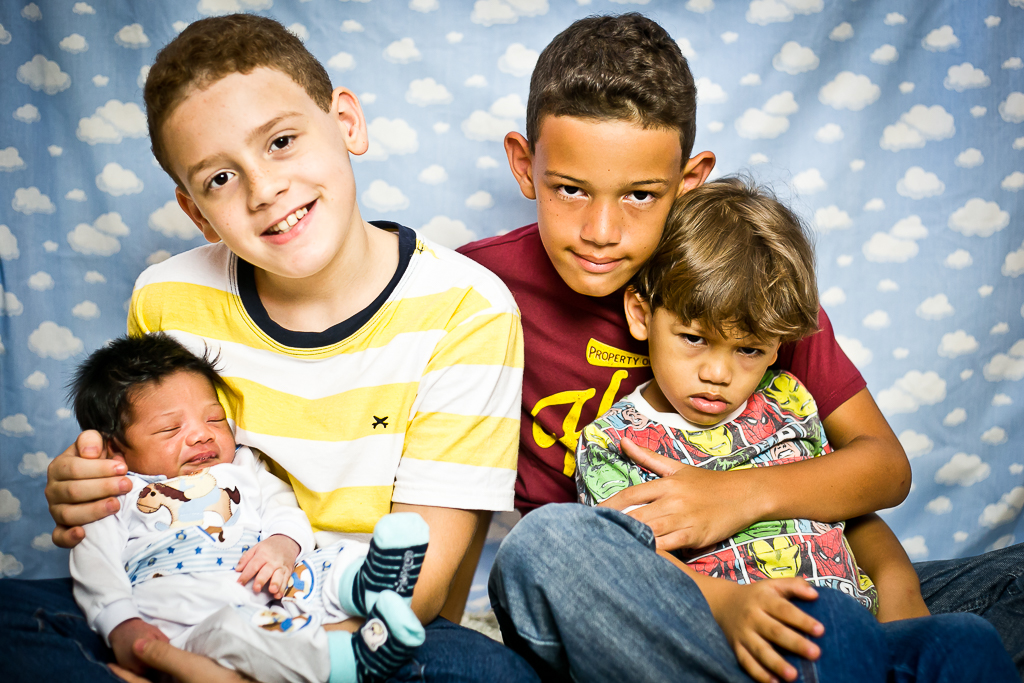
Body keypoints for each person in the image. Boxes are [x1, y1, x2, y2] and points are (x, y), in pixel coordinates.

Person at [456, 12, 1024, 681]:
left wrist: (739, 496)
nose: (600, 231)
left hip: (800, 562)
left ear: (689, 178)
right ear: (526, 166)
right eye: (570, 189)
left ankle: (842, 653)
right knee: (544, 545)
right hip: (642, 600)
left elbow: (881, 470)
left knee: (994, 594)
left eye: (641, 194)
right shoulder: (476, 293)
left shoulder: (745, 282)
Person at [11, 14, 537, 683]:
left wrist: (278, 662)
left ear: (346, 121)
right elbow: (142, 480)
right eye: (220, 180)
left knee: (493, 676)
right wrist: (90, 484)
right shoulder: (168, 299)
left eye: (282, 141)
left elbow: (423, 585)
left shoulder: (468, 308)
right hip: (188, 604)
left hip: (357, 622)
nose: (264, 190)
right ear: (196, 211)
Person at [572, 178, 1017, 683]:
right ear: (641, 314)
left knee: (967, 638)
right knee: (829, 623)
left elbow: (853, 514)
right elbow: (630, 564)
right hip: (749, 642)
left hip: (866, 623)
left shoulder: (787, 400)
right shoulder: (615, 441)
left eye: (749, 350)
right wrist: (729, 606)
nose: (718, 374)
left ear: (778, 344)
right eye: (694, 338)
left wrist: (899, 585)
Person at [69, 333, 431, 683]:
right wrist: (121, 623)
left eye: (213, 419)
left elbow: (284, 508)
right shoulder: (119, 490)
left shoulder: (243, 465)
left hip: (272, 584)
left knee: (331, 556)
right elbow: (95, 565)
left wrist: (282, 544)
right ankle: (347, 662)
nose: (201, 434)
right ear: (115, 449)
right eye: (170, 429)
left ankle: (367, 584)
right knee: (237, 632)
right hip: (193, 622)